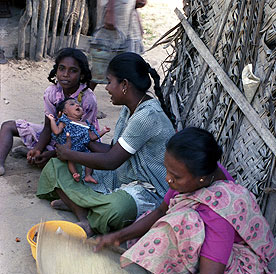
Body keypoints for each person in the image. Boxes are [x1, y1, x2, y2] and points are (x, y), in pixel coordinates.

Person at [93, 127, 276, 274]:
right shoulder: (196, 172)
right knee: (158, 221)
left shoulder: (220, 206)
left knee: (182, 222)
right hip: (209, 253)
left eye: (175, 176)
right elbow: (160, 212)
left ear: (201, 179)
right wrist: (117, 236)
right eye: (167, 170)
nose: (167, 179)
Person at [36, 52, 175, 237]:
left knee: (117, 208)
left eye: (109, 82)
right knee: (56, 166)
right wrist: (80, 138)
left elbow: (111, 160)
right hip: (121, 175)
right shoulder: (130, 108)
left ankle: (82, 207)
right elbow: (113, 150)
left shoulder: (146, 116)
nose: (107, 88)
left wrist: (70, 154)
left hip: (147, 189)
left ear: (124, 85)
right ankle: (83, 210)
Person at [0, 47, 99, 176]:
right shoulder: (52, 92)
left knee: (69, 165)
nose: (65, 74)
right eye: (61, 68)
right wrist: (38, 149)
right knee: (7, 126)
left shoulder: (88, 99)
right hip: (56, 133)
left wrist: (52, 153)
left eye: (73, 71)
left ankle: (44, 154)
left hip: (79, 142)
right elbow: (48, 127)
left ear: (82, 75)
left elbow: (83, 137)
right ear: (56, 70)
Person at [48, 97, 110, 183]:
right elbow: (56, 131)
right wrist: (52, 120)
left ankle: (88, 175)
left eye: (79, 105)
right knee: (70, 159)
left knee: (89, 158)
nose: (77, 105)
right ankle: (74, 173)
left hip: (83, 148)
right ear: (65, 112)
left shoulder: (85, 124)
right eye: (72, 104)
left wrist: (103, 131)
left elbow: (92, 137)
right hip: (69, 148)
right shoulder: (64, 121)